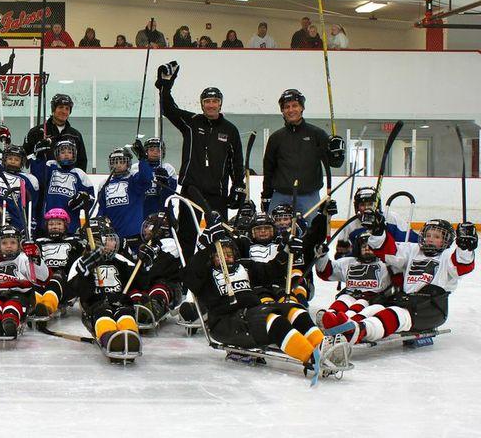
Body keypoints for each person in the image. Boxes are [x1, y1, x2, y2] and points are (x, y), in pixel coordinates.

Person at [184, 223, 346, 372]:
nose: (226, 258)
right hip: (226, 322)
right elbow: (189, 277)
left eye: (229, 254)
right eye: (220, 255)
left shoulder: (244, 266)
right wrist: (204, 248)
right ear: (211, 258)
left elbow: (271, 271)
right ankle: (312, 356)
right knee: (273, 320)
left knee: (295, 310)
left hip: (252, 312)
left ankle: (322, 345)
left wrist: (287, 252)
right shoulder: (205, 275)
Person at [328, 216, 475, 344]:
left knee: (396, 314)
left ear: (446, 240)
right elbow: (390, 251)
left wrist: (465, 249)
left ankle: (361, 330)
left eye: (437, 237)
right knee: (375, 308)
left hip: (432, 307)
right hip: (408, 301)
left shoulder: (448, 256)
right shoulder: (413, 249)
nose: (430, 239)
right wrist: (378, 232)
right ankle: (345, 323)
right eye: (428, 235)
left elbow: (461, 265)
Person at [157, 61, 244, 256]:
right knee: (186, 237)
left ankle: (219, 272)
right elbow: (168, 109)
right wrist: (166, 85)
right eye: (207, 101)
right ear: (202, 104)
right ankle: (184, 272)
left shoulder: (230, 130)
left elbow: (236, 163)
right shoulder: (192, 122)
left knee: (219, 239)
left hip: (217, 194)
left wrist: (239, 186)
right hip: (191, 191)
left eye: (215, 101)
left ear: (220, 103)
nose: (211, 105)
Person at [66, 217, 142, 360]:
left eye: (112, 239)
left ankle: (131, 336)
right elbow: (69, 294)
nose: (113, 242)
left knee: (125, 312)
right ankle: (110, 338)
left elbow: (138, 282)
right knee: (103, 313)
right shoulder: (81, 262)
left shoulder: (121, 260)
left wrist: (145, 265)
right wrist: (84, 272)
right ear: (96, 241)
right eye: (109, 239)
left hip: (119, 301)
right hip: (95, 305)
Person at [261, 89, 345, 214]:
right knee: (274, 227)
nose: (291, 110)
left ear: (302, 108)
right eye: (287, 107)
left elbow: (335, 163)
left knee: (311, 227)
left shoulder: (317, 134)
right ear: (282, 110)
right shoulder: (276, 138)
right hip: (280, 196)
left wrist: (337, 152)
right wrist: (266, 196)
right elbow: (268, 170)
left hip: (309, 198)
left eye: (294, 105)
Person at [95, 147, 154, 255]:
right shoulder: (104, 184)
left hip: (134, 235)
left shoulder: (133, 179)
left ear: (128, 164)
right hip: (113, 238)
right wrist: (98, 223)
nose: (118, 165)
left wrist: (143, 160)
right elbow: (102, 209)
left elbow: (147, 178)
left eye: (122, 162)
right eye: (114, 162)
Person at [29, 139, 93, 233]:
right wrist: (40, 155)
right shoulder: (51, 166)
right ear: (56, 154)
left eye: (69, 152)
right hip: (48, 223)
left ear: (74, 154)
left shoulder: (79, 173)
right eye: (62, 152)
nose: (66, 155)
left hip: (71, 225)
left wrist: (82, 199)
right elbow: (37, 176)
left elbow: (90, 197)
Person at [33, 208, 87, 317]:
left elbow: (85, 256)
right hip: (44, 278)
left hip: (66, 282)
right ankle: (35, 306)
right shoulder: (39, 242)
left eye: (59, 223)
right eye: (51, 224)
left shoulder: (74, 241)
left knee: (57, 276)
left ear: (65, 225)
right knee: (33, 284)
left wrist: (86, 241)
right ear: (46, 226)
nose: (55, 226)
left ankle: (47, 306)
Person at [22, 93, 88, 172]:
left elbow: (82, 162)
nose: (64, 111)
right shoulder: (36, 132)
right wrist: (36, 151)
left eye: (67, 108)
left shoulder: (75, 135)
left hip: (67, 178)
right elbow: (24, 159)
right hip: (42, 178)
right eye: (60, 107)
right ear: (53, 109)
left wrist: (77, 177)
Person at [132, 137, 177, 218]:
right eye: (152, 150)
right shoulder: (136, 167)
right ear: (146, 151)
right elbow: (136, 190)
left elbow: (169, 194)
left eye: (159, 150)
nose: (155, 152)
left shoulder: (168, 168)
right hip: (142, 213)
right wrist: (143, 163)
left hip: (163, 214)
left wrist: (165, 182)